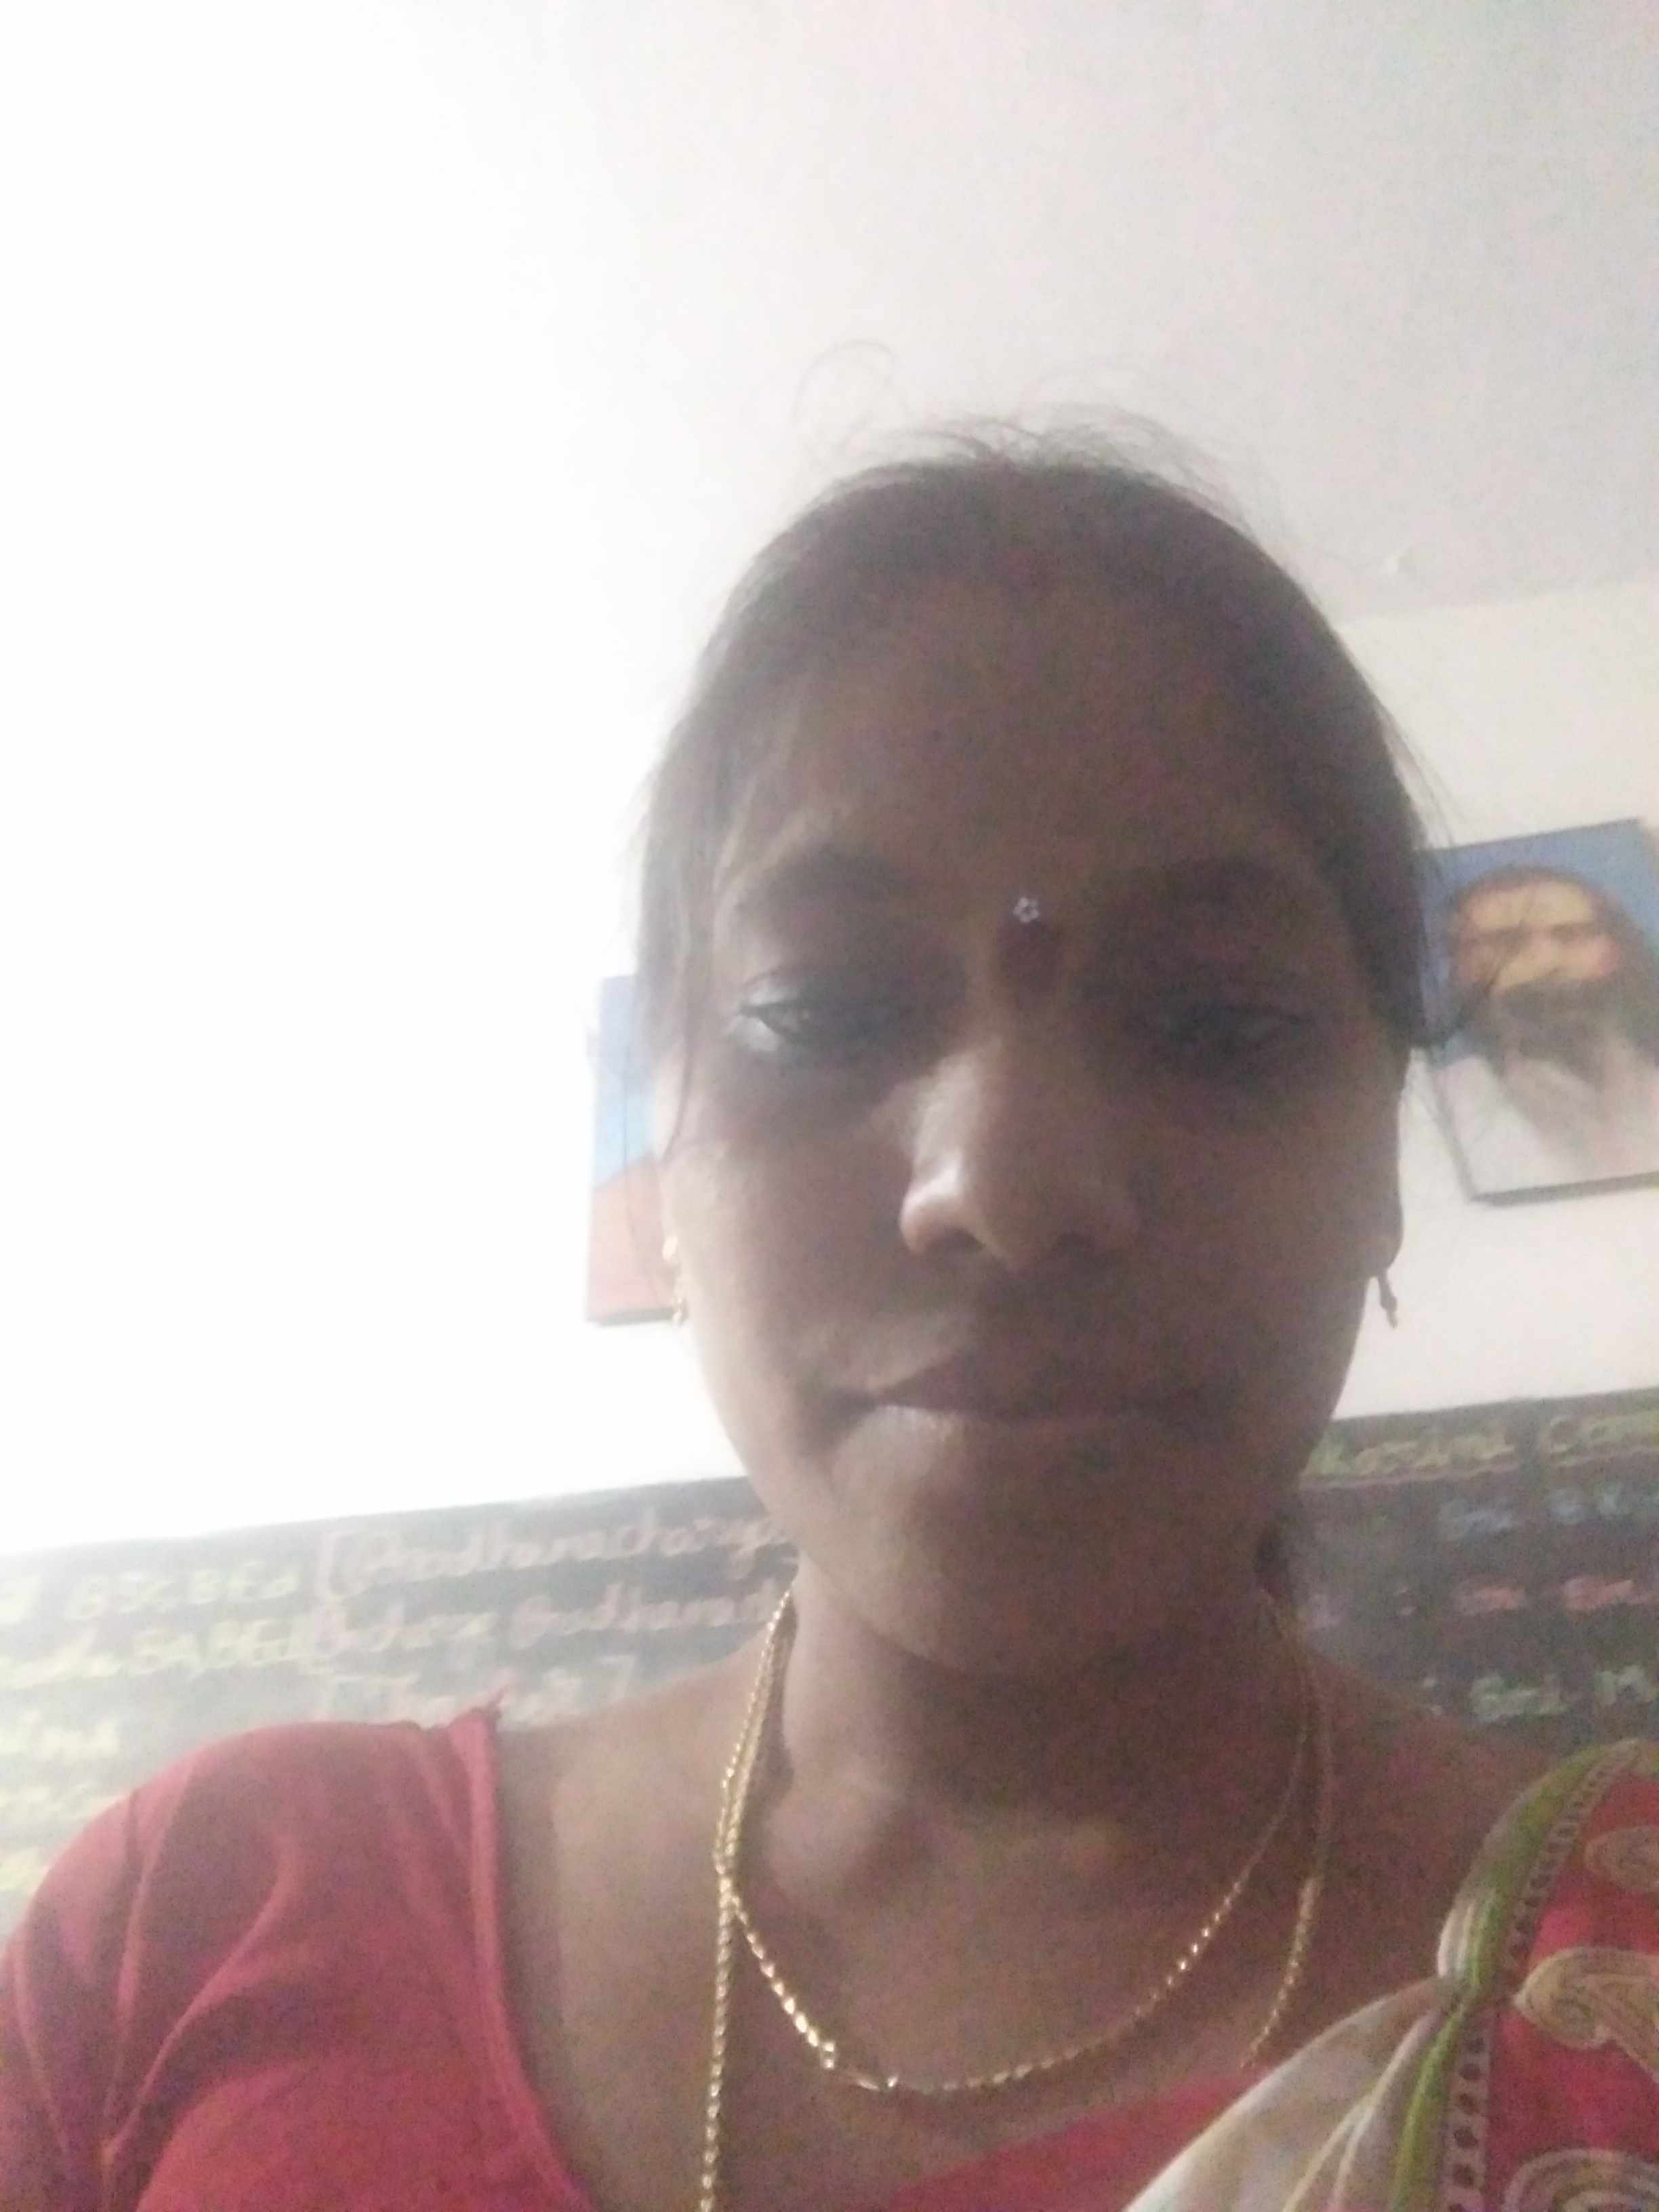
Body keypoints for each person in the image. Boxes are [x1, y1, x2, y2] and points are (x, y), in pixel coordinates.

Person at [4, 437, 1658, 2212]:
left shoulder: (1614, 1993)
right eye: (828, 1009)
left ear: (1382, 1159)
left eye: (1214, 1023)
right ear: (660, 1145)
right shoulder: (208, 1917)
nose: (1002, 1184)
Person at [1434, 865, 1659, 1193]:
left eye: (1571, 936)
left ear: (1613, 952)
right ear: (1463, 970)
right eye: (1507, 943)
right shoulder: (1445, 1106)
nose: (1547, 963)